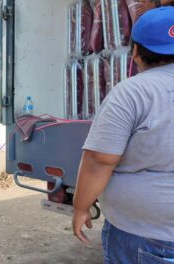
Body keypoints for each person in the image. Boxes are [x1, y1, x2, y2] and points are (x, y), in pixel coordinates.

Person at [72, 7, 174, 263]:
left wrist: (81, 207)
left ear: (136, 53)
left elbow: (99, 160)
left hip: (145, 234)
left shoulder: (132, 92)